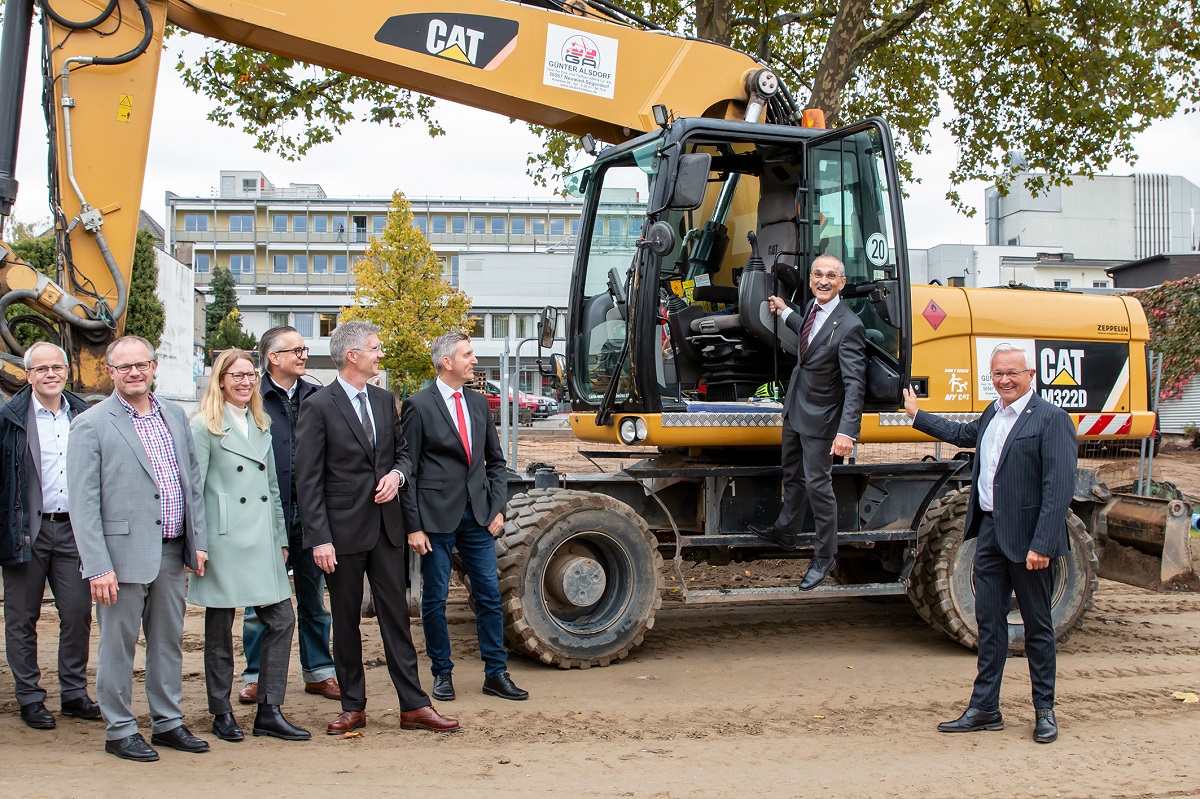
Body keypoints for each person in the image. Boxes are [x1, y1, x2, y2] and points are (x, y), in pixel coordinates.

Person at [902, 343, 1076, 744]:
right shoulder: (993, 413)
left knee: (1037, 628)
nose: (1005, 380)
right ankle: (985, 708)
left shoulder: (1051, 420)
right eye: (998, 374)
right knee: (989, 625)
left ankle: (1045, 711)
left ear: (1031, 375)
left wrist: (1043, 544)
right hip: (990, 534)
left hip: (1030, 541)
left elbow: (1058, 489)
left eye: (1013, 373)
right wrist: (918, 417)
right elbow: (964, 434)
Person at [295, 321, 458, 734]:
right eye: (375, 348)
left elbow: (402, 455)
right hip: (341, 536)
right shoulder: (319, 405)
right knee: (346, 622)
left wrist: (397, 477)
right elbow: (307, 480)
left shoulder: (385, 401)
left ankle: (414, 706)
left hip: (387, 531)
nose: (380, 354)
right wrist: (319, 538)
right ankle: (354, 706)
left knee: (397, 620)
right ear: (352, 356)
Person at [67, 336, 210, 762]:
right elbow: (83, 502)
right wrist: (97, 566)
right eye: (124, 366)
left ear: (154, 367)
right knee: (118, 644)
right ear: (110, 372)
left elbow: (192, 484)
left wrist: (196, 541)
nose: (134, 372)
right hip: (119, 558)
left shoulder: (174, 414)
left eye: (141, 364)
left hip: (171, 551)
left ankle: (167, 722)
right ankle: (120, 729)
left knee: (168, 642)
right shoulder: (91, 424)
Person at [189, 349, 310, 743]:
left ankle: (269, 710)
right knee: (220, 629)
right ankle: (221, 712)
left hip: (262, 540)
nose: (244, 382)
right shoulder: (204, 426)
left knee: (281, 619)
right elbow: (195, 490)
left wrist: (279, 538)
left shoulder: (262, 422)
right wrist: (198, 543)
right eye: (236, 375)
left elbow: (273, 489)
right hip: (223, 540)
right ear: (221, 380)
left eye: (249, 375)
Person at [402, 333, 528, 703]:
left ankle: (496, 672)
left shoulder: (477, 403)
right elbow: (406, 470)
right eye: (467, 355)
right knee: (435, 598)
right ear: (447, 362)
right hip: (435, 521)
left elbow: (496, 462)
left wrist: (497, 507)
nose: (474, 361)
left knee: (490, 595)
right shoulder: (418, 406)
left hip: (478, 517)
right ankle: (442, 672)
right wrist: (413, 525)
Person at [748, 254, 867, 590]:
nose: (823, 281)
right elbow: (809, 333)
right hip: (795, 410)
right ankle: (785, 532)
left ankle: (824, 557)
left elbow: (855, 384)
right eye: (818, 274)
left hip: (823, 420)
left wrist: (847, 431)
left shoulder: (849, 325)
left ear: (842, 283)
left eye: (831, 276)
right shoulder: (815, 311)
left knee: (819, 487)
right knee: (793, 476)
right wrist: (784, 311)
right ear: (811, 278)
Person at [237, 326, 339, 706]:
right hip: (265, 513)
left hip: (311, 514)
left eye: (304, 348)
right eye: (295, 350)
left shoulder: (317, 396)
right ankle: (255, 675)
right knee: (258, 601)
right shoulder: (252, 398)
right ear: (272, 358)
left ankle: (319, 673)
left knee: (313, 598)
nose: (303, 355)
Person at [1, 342, 99, 730]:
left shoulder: (84, 415)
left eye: (57, 367)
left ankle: (74, 693)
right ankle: (29, 697)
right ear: (28, 375)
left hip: (74, 530)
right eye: (41, 369)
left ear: (66, 371)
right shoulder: (10, 419)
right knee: (21, 618)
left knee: (77, 612)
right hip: (27, 531)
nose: (51, 374)